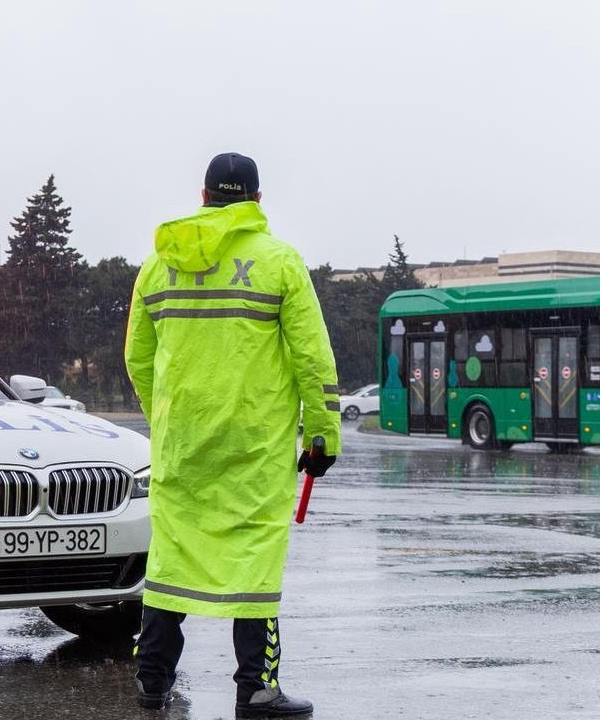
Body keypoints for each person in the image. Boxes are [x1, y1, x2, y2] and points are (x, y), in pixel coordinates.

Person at [125, 152, 341, 718]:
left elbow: (137, 358)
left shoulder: (158, 265)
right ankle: (257, 689)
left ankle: (151, 682)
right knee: (255, 561)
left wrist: (168, 419)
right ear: (256, 200)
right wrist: (323, 436)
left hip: (182, 445)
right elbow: (312, 360)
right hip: (254, 445)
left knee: (170, 562)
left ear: (202, 196)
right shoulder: (279, 263)